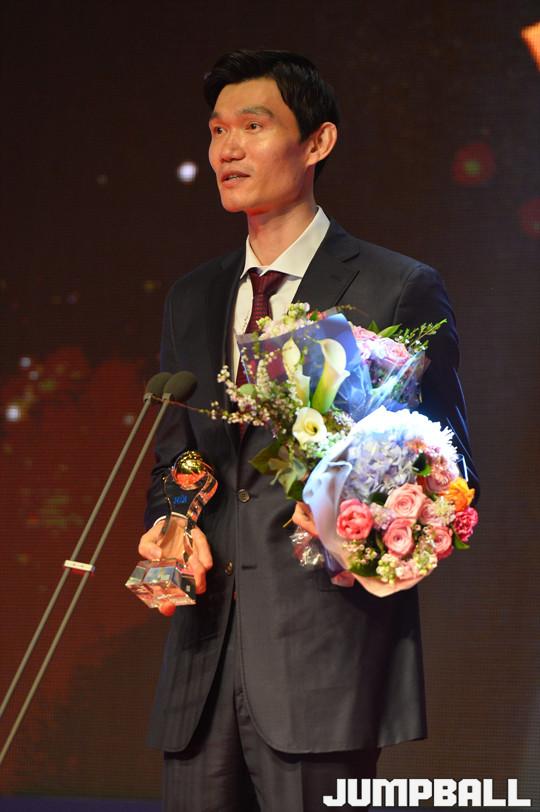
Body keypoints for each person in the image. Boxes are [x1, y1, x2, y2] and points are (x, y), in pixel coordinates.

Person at [138, 49, 478, 812]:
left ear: (317, 142)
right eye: (217, 131)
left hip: (326, 669)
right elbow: (179, 458)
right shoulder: (192, 298)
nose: (227, 150)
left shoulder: (395, 287)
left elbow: (452, 474)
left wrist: (355, 520)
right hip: (200, 664)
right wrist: (171, 521)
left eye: (253, 127)